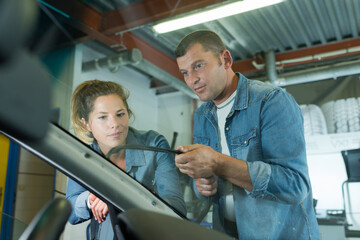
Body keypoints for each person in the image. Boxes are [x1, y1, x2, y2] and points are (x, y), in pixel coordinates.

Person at [174, 30, 320, 239]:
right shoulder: (202, 116)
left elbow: (295, 186)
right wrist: (201, 184)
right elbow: (204, 186)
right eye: (185, 72)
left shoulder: (271, 101)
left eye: (198, 66)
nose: (192, 80)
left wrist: (218, 163)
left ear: (225, 60)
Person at [66, 80, 186, 239]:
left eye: (120, 114)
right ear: (86, 124)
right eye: (102, 117)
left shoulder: (154, 144)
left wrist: (123, 198)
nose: (115, 124)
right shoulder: (83, 155)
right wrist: (91, 198)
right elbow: (71, 212)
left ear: (128, 113)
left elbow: (177, 207)